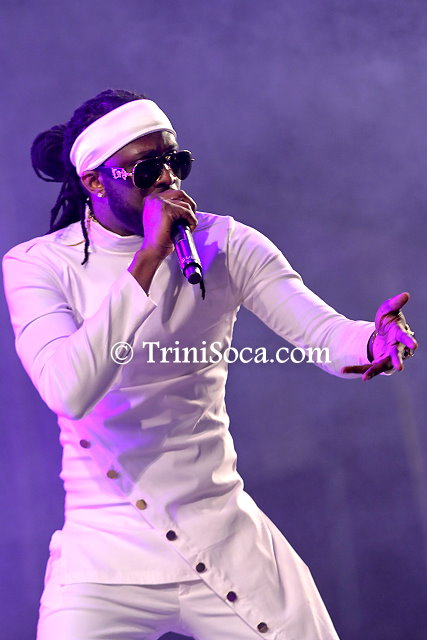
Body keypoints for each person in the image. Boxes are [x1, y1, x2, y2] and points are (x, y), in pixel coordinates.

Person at [2, 89, 417, 640]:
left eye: (176, 160)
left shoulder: (224, 243)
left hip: (221, 532)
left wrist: (373, 342)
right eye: (146, 168)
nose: (168, 178)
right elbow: (67, 389)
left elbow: (323, 334)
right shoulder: (39, 266)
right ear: (95, 182)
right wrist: (149, 259)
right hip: (106, 556)